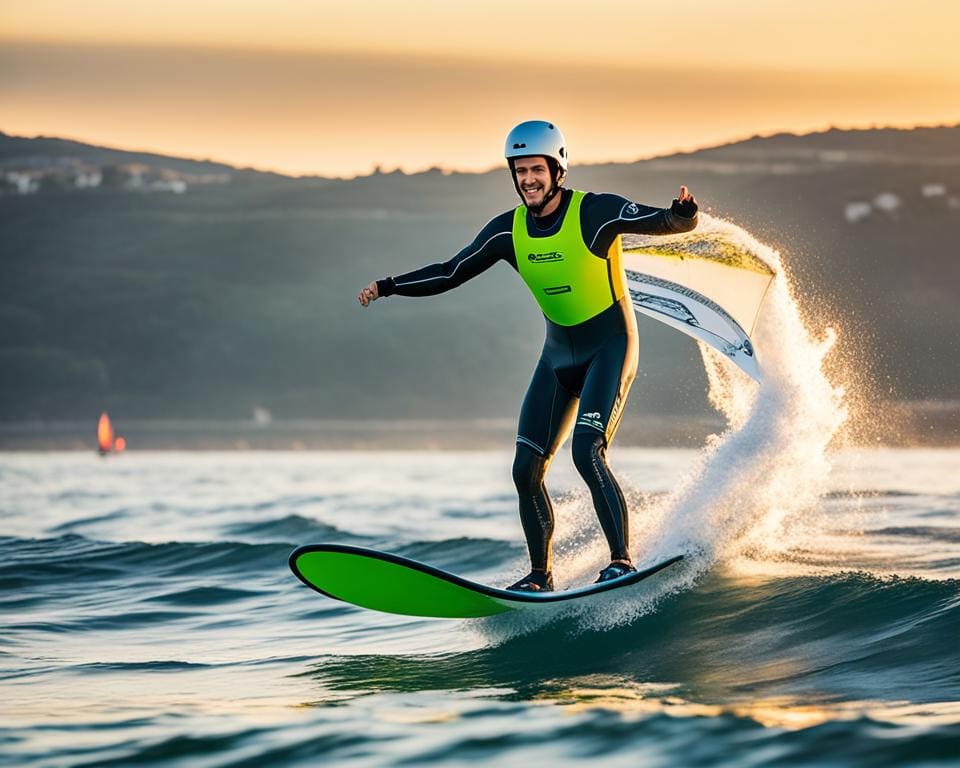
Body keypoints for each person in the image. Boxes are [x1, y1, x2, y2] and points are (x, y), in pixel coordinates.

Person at [358, 120, 698, 591]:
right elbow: (452, 271)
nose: (527, 180)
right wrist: (389, 286)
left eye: (536, 169)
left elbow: (660, 221)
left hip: (611, 348)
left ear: (557, 169)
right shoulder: (509, 231)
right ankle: (541, 578)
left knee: (587, 452)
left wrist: (683, 214)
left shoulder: (594, 212)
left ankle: (621, 561)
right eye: (519, 171)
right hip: (557, 358)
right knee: (525, 468)